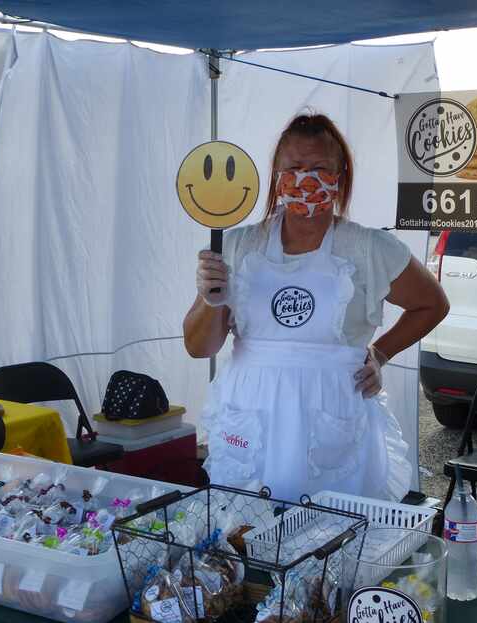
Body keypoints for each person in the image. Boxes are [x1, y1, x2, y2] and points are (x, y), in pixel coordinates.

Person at [184, 113, 449, 502]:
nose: (306, 179)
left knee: (332, 535)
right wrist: (211, 299)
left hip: (332, 413)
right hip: (252, 411)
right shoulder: (238, 246)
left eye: (320, 168)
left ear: (340, 175)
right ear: (276, 175)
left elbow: (432, 304)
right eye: (293, 168)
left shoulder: (368, 247)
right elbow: (198, 347)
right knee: (241, 524)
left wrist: (379, 353)